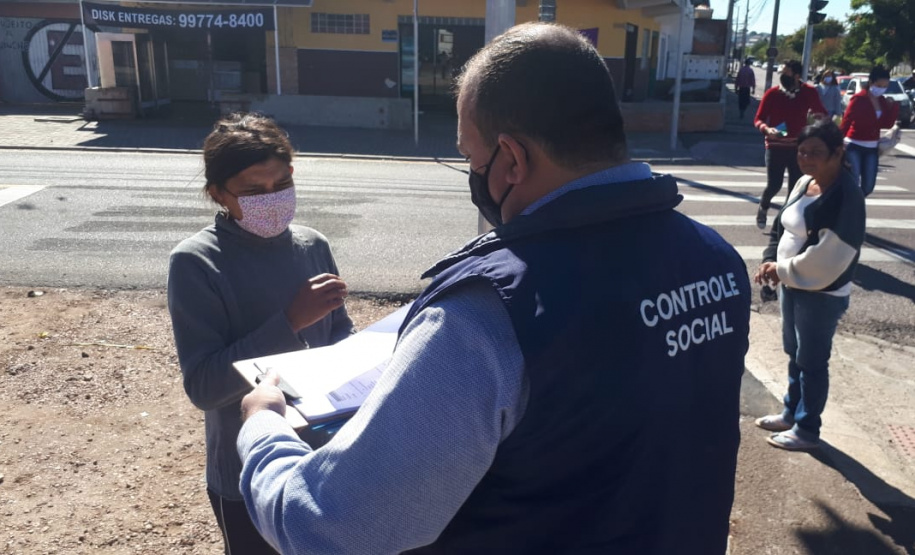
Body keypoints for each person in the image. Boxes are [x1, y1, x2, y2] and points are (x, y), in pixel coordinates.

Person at [236, 22, 751, 555]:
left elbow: (329, 527)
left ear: (511, 159)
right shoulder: (715, 258)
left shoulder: (487, 315)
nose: (472, 174)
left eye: (470, 157)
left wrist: (264, 428)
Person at [167, 113, 353, 554]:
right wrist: (289, 323)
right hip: (246, 472)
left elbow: (340, 337)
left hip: (324, 460)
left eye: (281, 185)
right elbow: (204, 386)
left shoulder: (313, 245)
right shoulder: (195, 263)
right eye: (252, 191)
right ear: (218, 193)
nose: (272, 199)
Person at [753, 119, 865, 451]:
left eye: (816, 152)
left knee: (812, 361)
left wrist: (781, 269)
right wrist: (770, 259)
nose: (806, 158)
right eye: (802, 151)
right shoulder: (805, 182)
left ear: (838, 153)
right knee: (794, 353)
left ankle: (807, 428)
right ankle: (791, 412)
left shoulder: (846, 196)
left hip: (821, 292)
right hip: (793, 283)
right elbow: (781, 225)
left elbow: (831, 255)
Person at [753, 59, 827, 229]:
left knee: (795, 188)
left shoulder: (809, 92)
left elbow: (821, 113)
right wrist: (766, 129)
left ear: (796, 75)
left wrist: (818, 119)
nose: (782, 76)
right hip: (775, 146)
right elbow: (758, 118)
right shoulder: (772, 94)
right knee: (774, 184)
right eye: (781, 72)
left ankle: (781, 223)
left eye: (785, 73)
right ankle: (764, 206)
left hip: (799, 148)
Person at [840, 65, 899, 197]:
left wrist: (893, 107)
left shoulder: (882, 100)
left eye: (885, 86)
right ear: (871, 82)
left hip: (872, 148)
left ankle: (852, 202)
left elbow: (887, 124)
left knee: (868, 186)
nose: (882, 89)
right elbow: (846, 122)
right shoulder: (858, 99)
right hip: (854, 145)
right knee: (853, 181)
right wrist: (837, 143)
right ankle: (851, 207)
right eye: (880, 85)